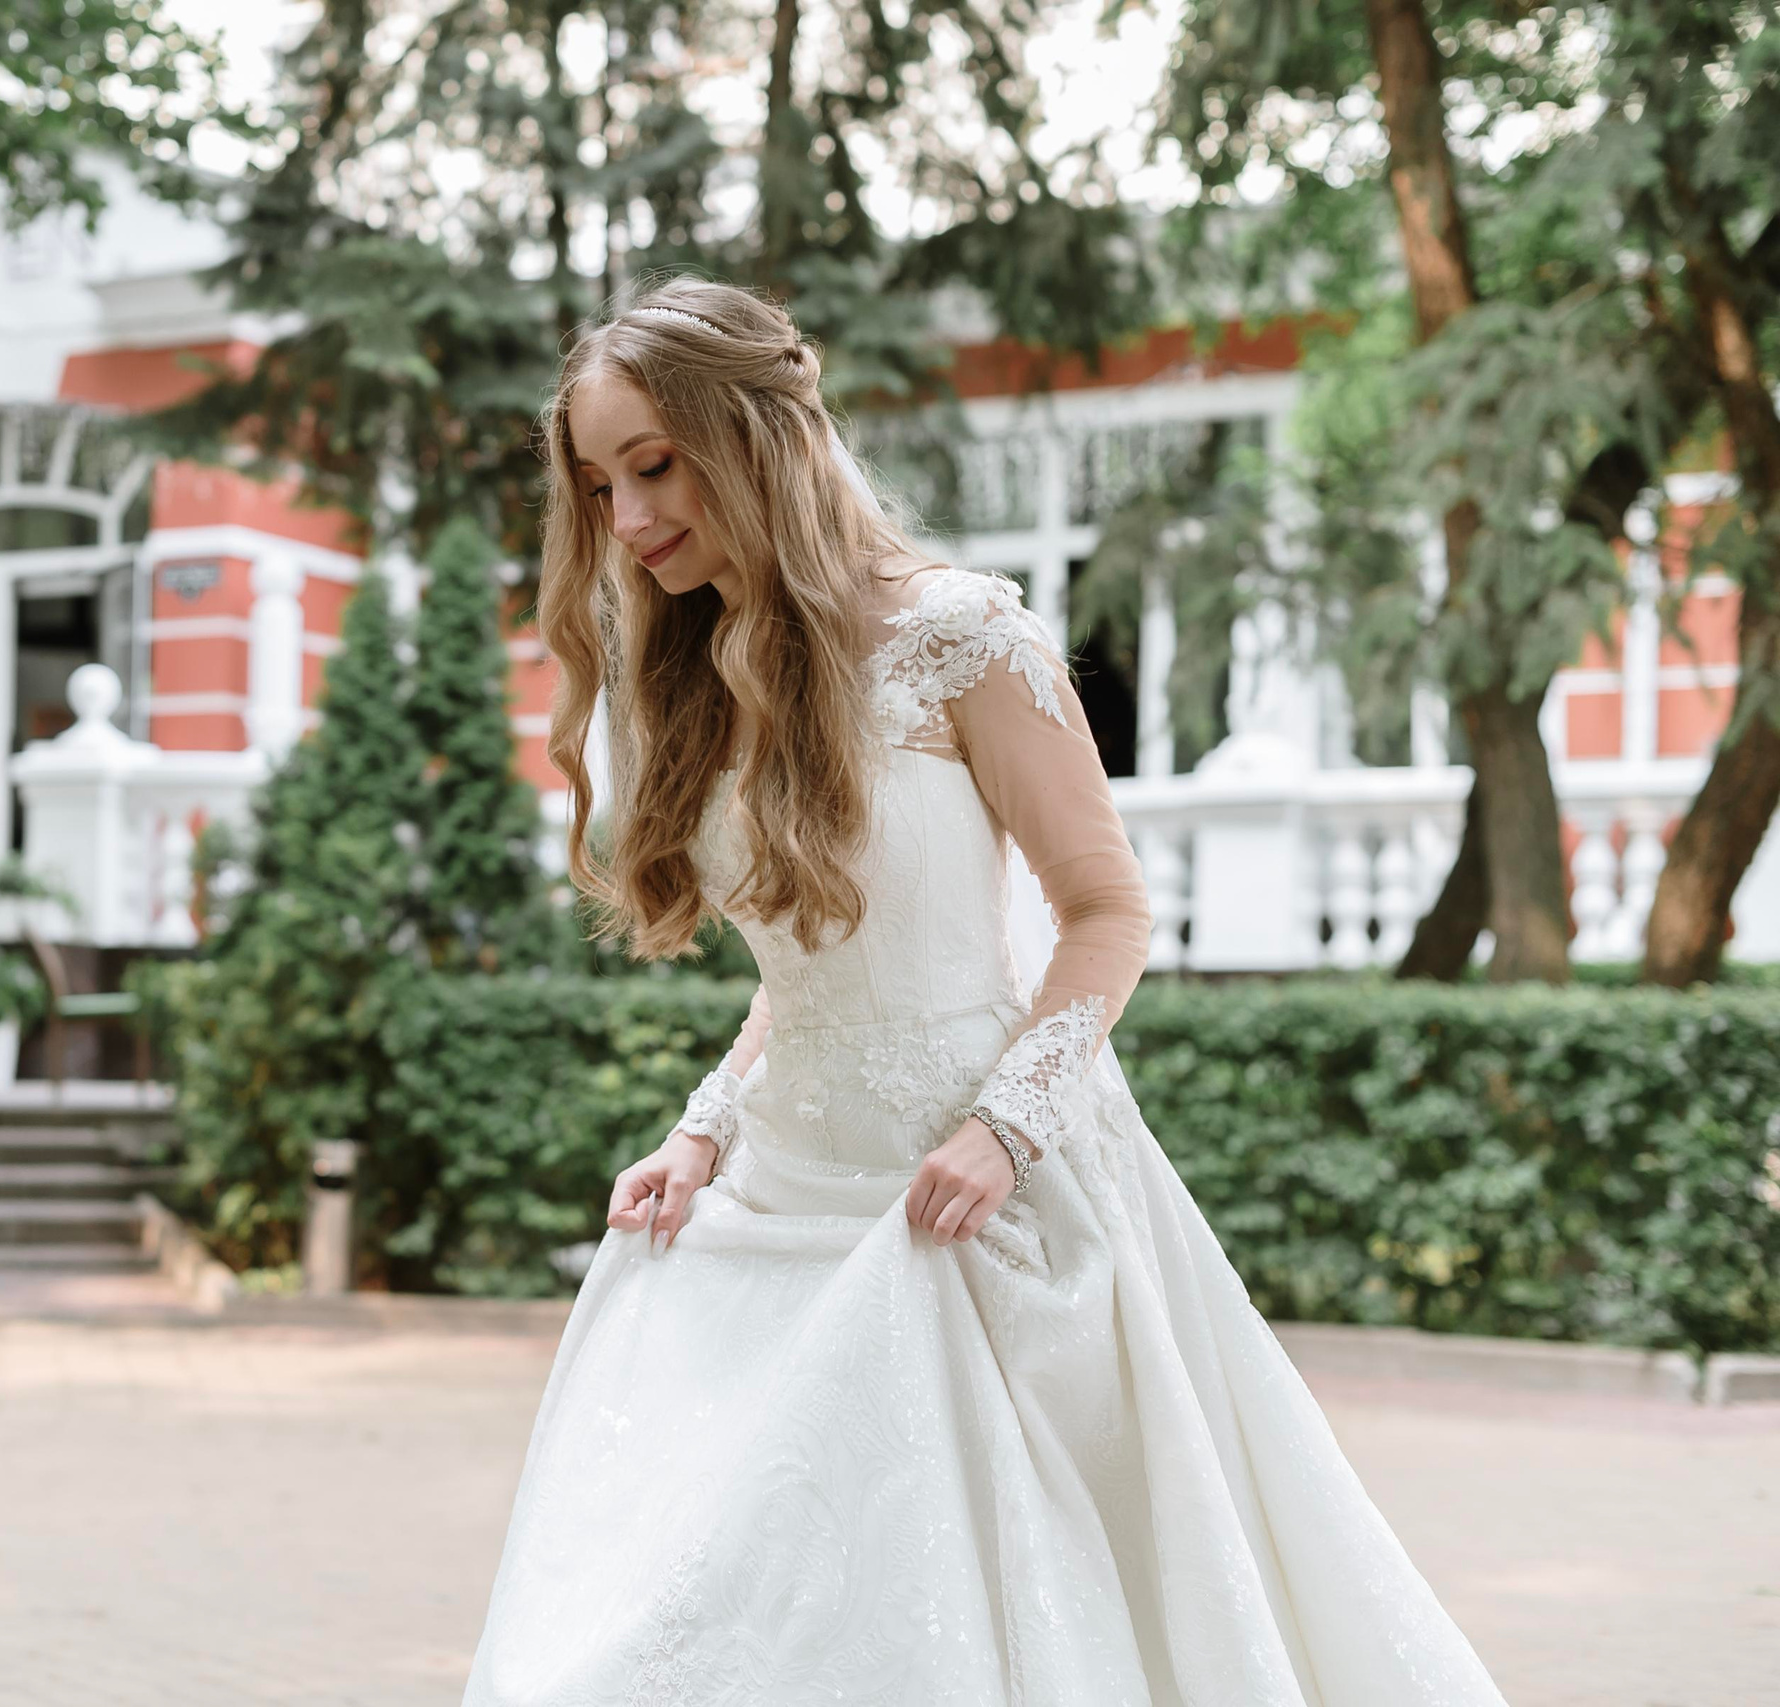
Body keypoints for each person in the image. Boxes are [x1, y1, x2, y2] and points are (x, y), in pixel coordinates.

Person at [459, 277, 1512, 1706]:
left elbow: (1106, 912)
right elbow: (807, 971)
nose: (630, 519)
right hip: (781, 1193)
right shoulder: (697, 664)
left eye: (655, 465)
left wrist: (1005, 1129)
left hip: (966, 1196)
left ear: (760, 435)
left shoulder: (965, 638)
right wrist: (702, 1128)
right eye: (600, 487)